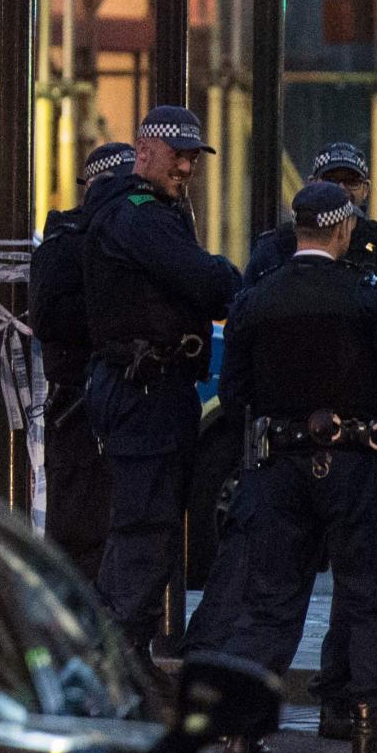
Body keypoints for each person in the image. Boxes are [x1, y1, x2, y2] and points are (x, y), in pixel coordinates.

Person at [206, 181, 377, 753]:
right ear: (343, 231)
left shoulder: (257, 299)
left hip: (278, 465)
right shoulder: (365, 294)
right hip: (358, 464)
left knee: (269, 602)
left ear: (299, 230)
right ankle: (368, 734)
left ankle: (241, 731)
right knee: (371, 593)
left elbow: (234, 396)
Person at [81, 106, 241, 668]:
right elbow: (200, 277)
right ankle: (124, 660)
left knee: (138, 526)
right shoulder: (141, 215)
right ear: (145, 151)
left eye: (194, 157)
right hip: (144, 389)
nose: (187, 167)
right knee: (147, 528)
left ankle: (117, 653)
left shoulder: (138, 210)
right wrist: (228, 278)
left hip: (144, 388)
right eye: (178, 155)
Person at [27, 139, 134, 582]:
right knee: (80, 530)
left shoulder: (134, 231)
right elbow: (48, 318)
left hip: (116, 400)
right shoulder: (69, 238)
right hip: (80, 404)